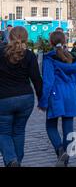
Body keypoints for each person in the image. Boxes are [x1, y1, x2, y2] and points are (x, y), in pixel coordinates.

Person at [38, 31, 76, 167]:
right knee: (68, 127)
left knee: (51, 125)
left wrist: (43, 101)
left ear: (51, 42)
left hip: (56, 94)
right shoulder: (73, 58)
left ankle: (60, 150)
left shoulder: (49, 58)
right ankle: (65, 159)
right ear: (65, 41)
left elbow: (48, 81)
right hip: (71, 93)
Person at [0, 27, 43, 167]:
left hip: (4, 99)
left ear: (9, 37)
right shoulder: (29, 55)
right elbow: (36, 79)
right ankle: (17, 161)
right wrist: (41, 99)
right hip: (25, 98)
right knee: (19, 131)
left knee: (3, 132)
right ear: (26, 37)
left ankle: (11, 160)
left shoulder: (1, 52)